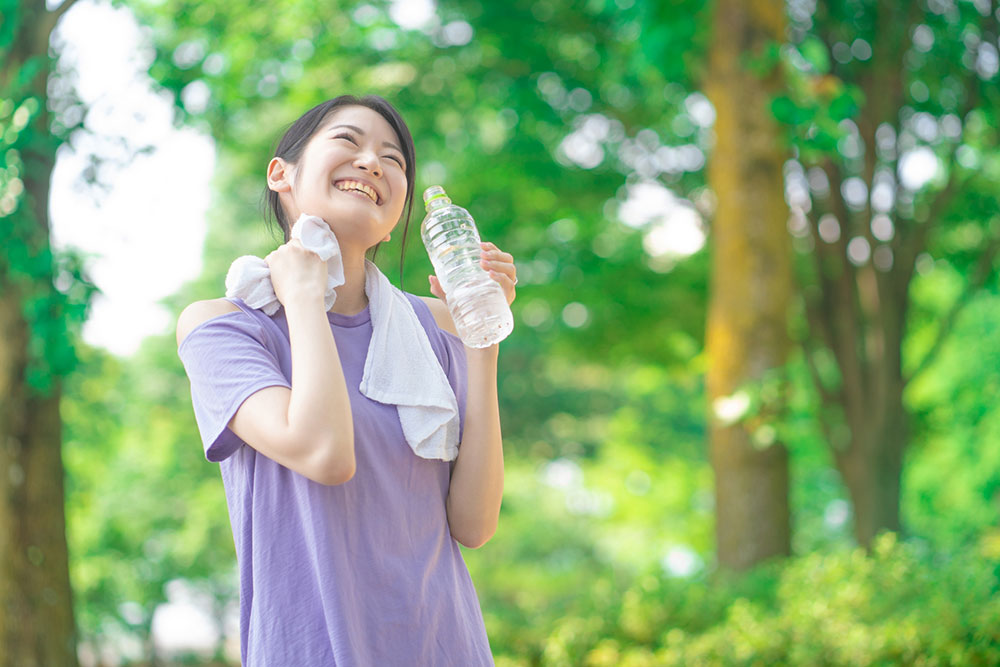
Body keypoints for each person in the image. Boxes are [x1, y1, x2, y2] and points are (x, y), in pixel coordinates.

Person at [175, 94, 516, 666]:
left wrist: (480, 335)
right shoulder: (224, 326)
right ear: (281, 174)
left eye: (394, 159)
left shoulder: (433, 330)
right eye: (348, 141)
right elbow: (325, 454)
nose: (373, 163)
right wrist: (305, 297)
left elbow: (475, 523)